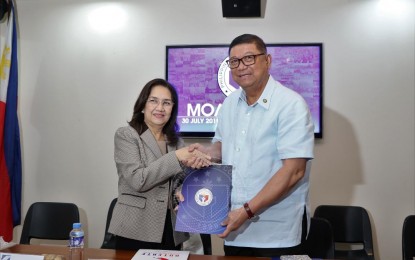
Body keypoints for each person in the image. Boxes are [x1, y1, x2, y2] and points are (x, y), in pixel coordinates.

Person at [187, 34, 315, 257]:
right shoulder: (229, 104)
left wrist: (246, 211)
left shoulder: (290, 104)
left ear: (267, 60)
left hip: (278, 233)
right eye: (234, 61)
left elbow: (294, 171)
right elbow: (222, 147)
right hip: (234, 229)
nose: (241, 66)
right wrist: (206, 153)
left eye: (249, 58)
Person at [108, 78, 210, 251]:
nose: (160, 108)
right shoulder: (126, 135)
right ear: (142, 105)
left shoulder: (175, 141)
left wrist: (196, 169)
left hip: (171, 229)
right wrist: (177, 157)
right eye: (153, 101)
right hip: (135, 229)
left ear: (173, 109)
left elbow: (181, 181)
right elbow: (138, 180)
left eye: (167, 103)